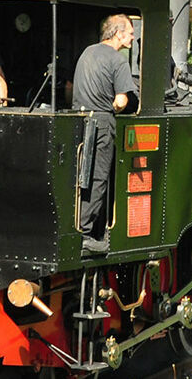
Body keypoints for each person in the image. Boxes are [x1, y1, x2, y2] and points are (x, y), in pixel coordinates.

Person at [71, 14, 137, 253]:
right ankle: (87, 234)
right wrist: (116, 106)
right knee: (98, 178)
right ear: (118, 33)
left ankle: (77, 227)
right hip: (101, 122)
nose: (132, 36)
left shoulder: (87, 52)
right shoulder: (118, 60)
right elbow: (121, 100)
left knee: (80, 179)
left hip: (79, 119)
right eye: (130, 32)